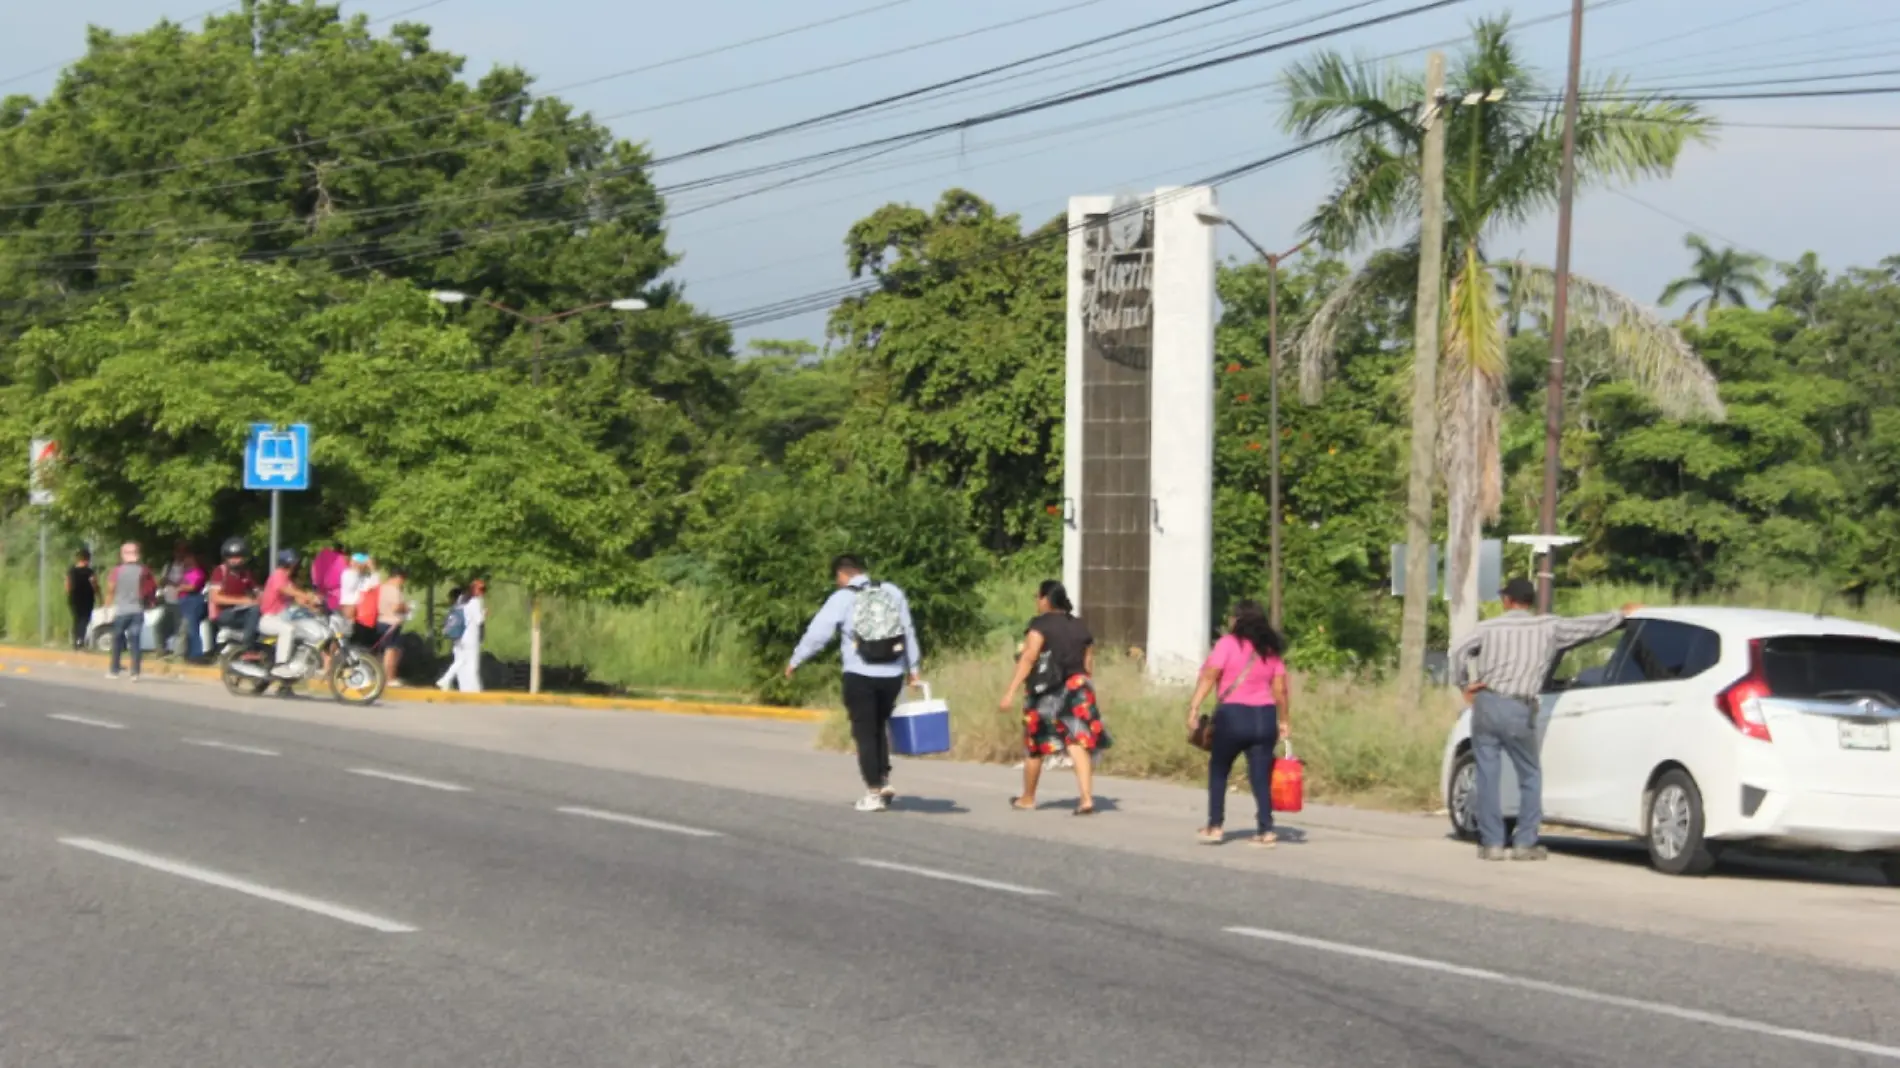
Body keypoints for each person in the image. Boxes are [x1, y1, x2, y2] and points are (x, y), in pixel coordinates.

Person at [1448, 578, 1640, 861]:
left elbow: (1458, 650)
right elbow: (1587, 626)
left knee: (1487, 773)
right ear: (1530, 601)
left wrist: (1465, 684)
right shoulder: (1548, 626)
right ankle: (1525, 842)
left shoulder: (1488, 628)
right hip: (1518, 706)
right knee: (1530, 774)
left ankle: (1492, 843)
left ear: (1507, 601)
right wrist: (1620, 615)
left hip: (1487, 703)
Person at [786, 554, 922, 812]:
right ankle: (882, 779)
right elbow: (908, 630)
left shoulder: (842, 598)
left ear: (841, 574)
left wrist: (796, 659)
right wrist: (912, 668)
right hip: (892, 674)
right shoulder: (892, 591)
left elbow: (818, 633)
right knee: (879, 727)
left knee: (864, 733)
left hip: (860, 673)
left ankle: (873, 791)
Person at [1186, 600, 1291, 847]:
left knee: (1220, 769)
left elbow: (1210, 675)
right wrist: (1284, 721)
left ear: (1237, 620)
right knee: (1259, 776)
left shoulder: (1227, 644)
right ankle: (1266, 830)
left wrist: (1194, 707)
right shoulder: (1270, 649)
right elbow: (1280, 690)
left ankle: (1215, 826)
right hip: (1265, 718)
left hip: (1233, 716)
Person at [998, 580, 1108, 815]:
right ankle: (1086, 799)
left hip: (1048, 691)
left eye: (1037, 597)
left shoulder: (1040, 625)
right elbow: (1088, 662)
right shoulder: (1080, 625)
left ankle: (1028, 798)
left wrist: (1010, 691)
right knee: (1077, 741)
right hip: (1079, 687)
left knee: (1036, 744)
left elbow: (1029, 657)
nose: (1036, 602)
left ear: (1046, 599)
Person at [257, 550, 326, 679]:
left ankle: (292, 674)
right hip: (270, 619)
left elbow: (297, 597)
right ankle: (280, 665)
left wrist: (314, 607)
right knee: (288, 630)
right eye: (294, 562)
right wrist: (308, 596)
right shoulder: (278, 575)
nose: (296, 565)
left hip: (281, 618)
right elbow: (287, 590)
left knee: (303, 631)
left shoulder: (286, 579)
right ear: (289, 563)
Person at [104, 542, 154, 681]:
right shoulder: (144, 570)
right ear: (137, 554)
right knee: (135, 641)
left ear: (123, 555)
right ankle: (135, 672)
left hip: (121, 611)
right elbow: (150, 589)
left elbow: (111, 589)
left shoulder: (117, 571)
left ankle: (114, 670)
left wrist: (107, 607)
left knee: (117, 640)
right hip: (137, 610)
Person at [208, 537, 261, 649]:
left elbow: (258, 591)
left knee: (258, 614)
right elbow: (215, 598)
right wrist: (244, 600)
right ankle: (248, 647)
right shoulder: (220, 571)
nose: (236, 560)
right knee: (254, 612)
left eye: (239, 557)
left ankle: (253, 644)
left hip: (241, 612)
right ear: (226, 558)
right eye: (232, 557)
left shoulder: (245, 573)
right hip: (223, 613)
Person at [436, 579, 486, 693]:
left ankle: (460, 685)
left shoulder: (462, 599)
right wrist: (484, 613)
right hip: (470, 636)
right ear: (475, 590)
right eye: (482, 589)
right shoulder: (475, 602)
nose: (483, 592)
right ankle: (472, 689)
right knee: (472, 664)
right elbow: (479, 620)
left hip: (459, 636)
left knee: (461, 660)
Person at [375, 566, 411, 685]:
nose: (403, 582)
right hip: (391, 623)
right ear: (398, 577)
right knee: (391, 651)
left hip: (381, 621)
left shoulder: (381, 587)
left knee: (389, 650)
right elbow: (396, 607)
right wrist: (406, 608)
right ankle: (389, 678)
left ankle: (386, 676)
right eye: (403, 579)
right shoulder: (394, 590)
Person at [175, 548, 209, 661]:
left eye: (188, 558)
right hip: (184, 601)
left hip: (193, 600)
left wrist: (181, 587)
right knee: (186, 628)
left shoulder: (197, 572)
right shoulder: (186, 573)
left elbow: (193, 587)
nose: (185, 561)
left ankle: (196, 654)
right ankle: (187, 653)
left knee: (192, 628)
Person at [64, 548, 99, 650]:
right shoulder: (89, 571)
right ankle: (80, 640)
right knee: (84, 619)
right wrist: (99, 594)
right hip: (87, 598)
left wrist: (68, 593)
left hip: (74, 597)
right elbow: (94, 584)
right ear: (88, 559)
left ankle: (76, 641)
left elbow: (67, 584)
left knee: (77, 619)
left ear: (78, 558)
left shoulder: (71, 570)